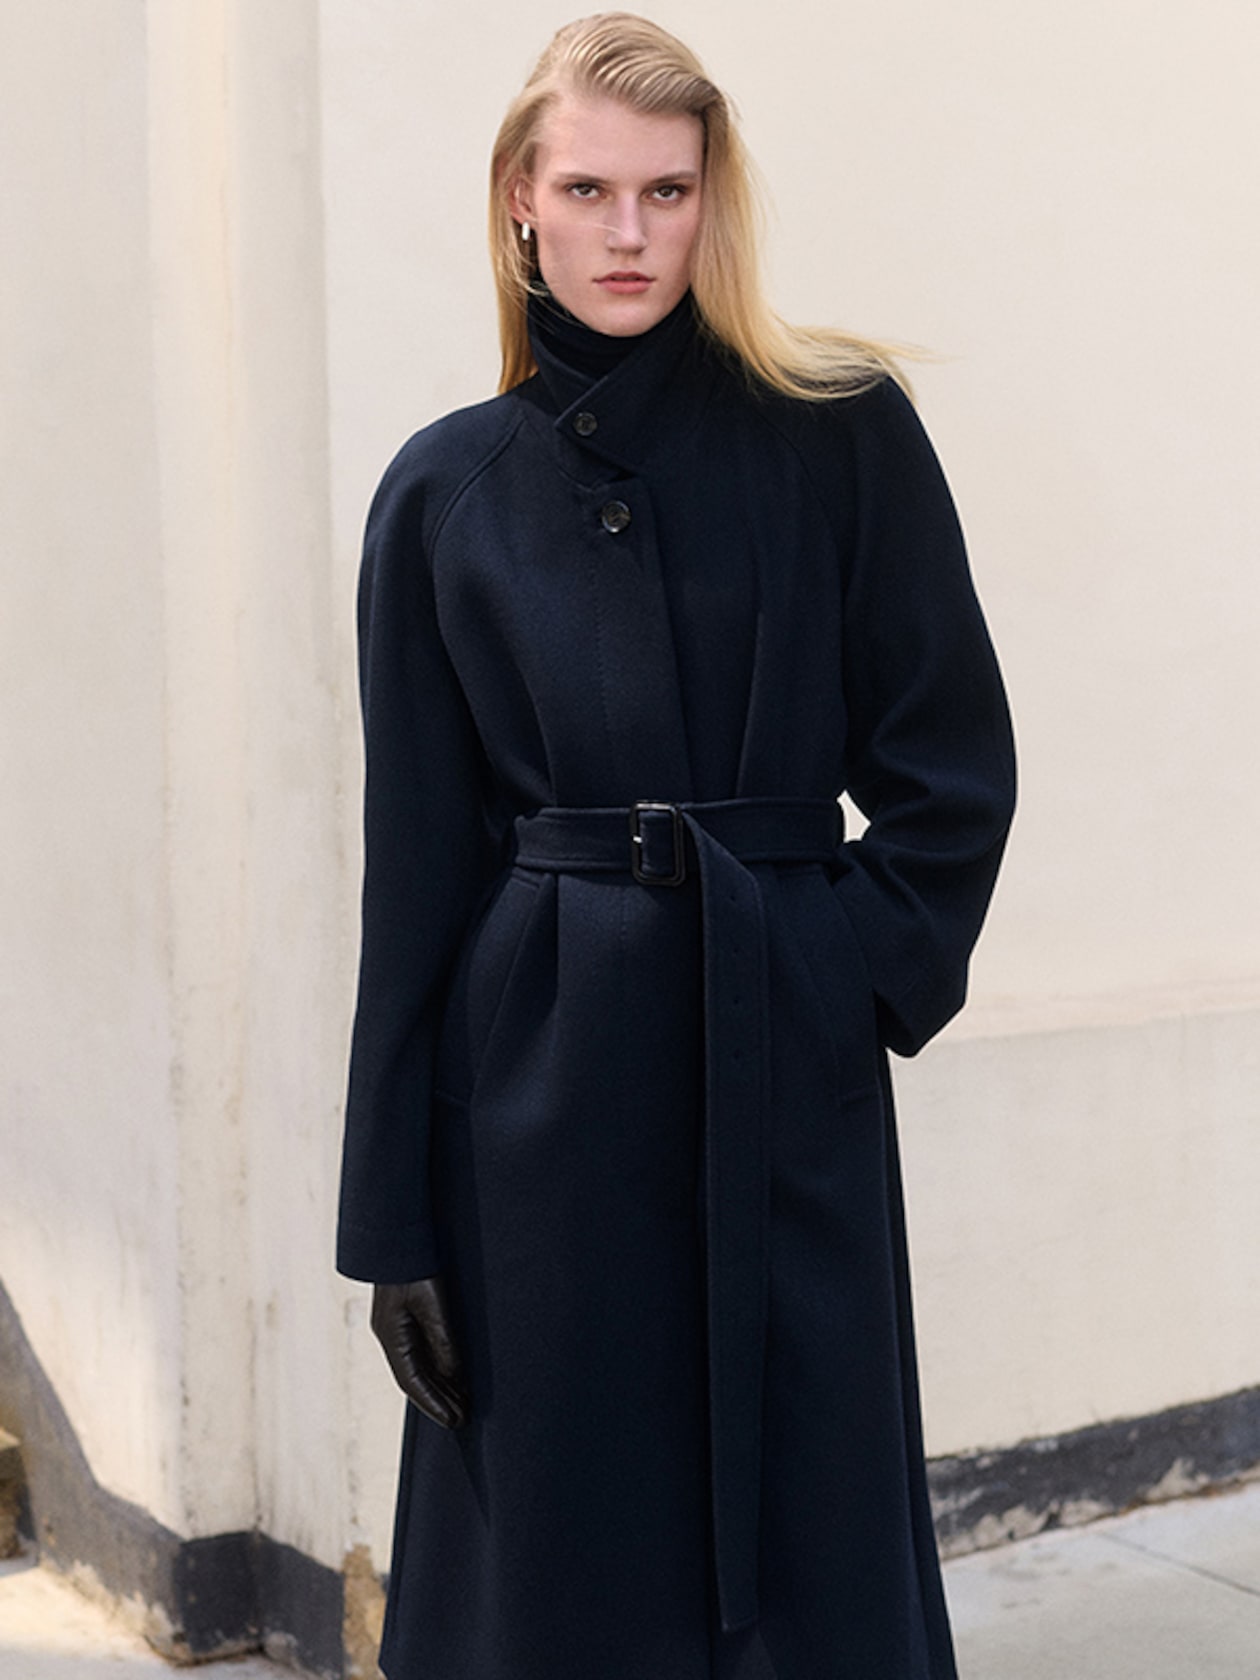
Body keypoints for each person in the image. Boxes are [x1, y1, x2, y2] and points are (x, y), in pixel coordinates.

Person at [336, 13, 1015, 1680]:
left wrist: (832, 968)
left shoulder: (842, 432)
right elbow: (415, 868)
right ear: (521, 200)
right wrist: (390, 1223)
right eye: (588, 187)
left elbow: (952, 769)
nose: (628, 232)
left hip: (783, 1056)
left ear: (714, 206)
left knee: (813, 1535)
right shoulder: (443, 495)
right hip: (532, 1097)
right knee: (558, 1554)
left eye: (667, 190)